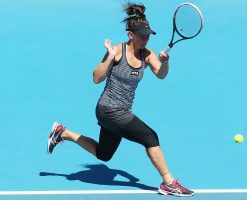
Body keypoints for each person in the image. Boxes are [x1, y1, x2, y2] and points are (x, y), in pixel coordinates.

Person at [47, 2, 194, 197]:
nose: (146, 39)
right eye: (142, 35)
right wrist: (109, 57)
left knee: (103, 154)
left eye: (148, 35)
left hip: (119, 111)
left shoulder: (147, 55)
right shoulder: (117, 51)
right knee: (150, 137)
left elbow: (161, 74)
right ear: (131, 35)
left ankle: (63, 133)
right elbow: (96, 78)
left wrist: (165, 63)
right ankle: (169, 182)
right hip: (109, 109)